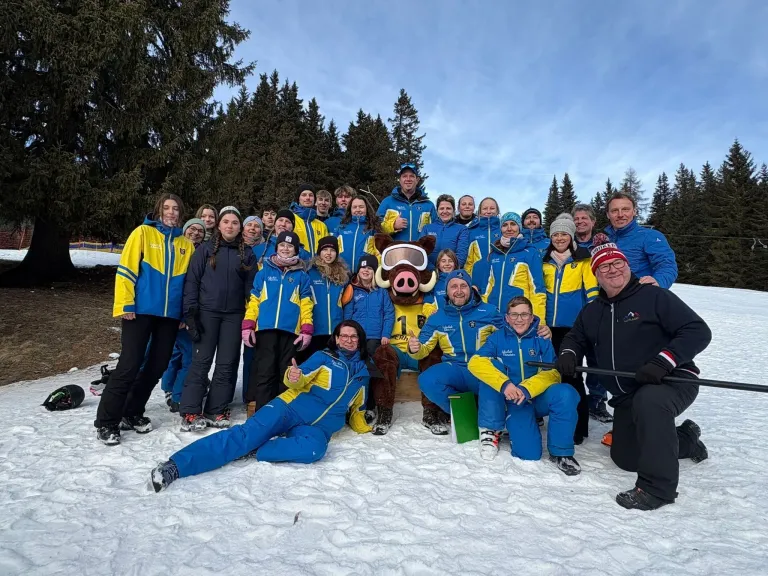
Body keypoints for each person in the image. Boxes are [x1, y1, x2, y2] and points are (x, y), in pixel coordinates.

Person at [555, 235, 711, 510]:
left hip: (671, 381)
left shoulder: (654, 296)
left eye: (618, 263)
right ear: (596, 275)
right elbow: (574, 338)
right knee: (626, 458)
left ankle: (657, 490)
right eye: (605, 266)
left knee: (650, 402)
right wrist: (568, 353)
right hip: (627, 394)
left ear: (627, 266)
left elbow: (697, 331)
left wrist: (664, 361)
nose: (613, 269)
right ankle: (686, 439)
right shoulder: (592, 311)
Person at [150, 320, 372, 492]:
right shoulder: (324, 357)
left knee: (315, 450)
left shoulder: (363, 374)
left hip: (316, 429)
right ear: (336, 339)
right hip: (289, 409)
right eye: (344, 336)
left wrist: (366, 427)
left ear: (360, 340)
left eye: (353, 336)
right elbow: (298, 376)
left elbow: (357, 409)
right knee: (245, 435)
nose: (349, 340)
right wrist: (293, 376)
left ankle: (257, 449)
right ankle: (176, 466)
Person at [94, 193, 195, 445]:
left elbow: (188, 284)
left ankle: (132, 411)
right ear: (159, 210)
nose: (171, 212)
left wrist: (184, 313)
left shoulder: (186, 244)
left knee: (157, 365)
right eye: (166, 208)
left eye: (175, 209)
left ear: (181, 213)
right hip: (139, 311)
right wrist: (125, 303)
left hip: (169, 316)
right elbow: (126, 269)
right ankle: (106, 422)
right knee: (129, 365)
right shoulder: (142, 233)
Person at [468, 296, 581, 474]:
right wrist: (505, 385)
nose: (519, 319)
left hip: (536, 397)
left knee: (565, 393)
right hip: (514, 402)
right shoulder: (497, 338)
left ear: (531, 316)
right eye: (514, 315)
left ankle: (561, 452)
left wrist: (527, 388)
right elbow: (475, 362)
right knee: (529, 454)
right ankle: (505, 424)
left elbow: (553, 372)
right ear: (507, 318)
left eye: (524, 314)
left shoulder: (541, 338)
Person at [180, 206, 257, 430]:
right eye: (226, 222)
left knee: (227, 363)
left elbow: (252, 289)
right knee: (201, 361)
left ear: (240, 227)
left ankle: (216, 409)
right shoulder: (205, 250)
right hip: (207, 313)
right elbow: (192, 282)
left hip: (234, 315)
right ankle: (191, 410)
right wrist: (191, 313)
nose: (230, 226)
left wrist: (252, 316)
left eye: (234, 223)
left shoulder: (247, 254)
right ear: (219, 225)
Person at [409, 270, 505, 423]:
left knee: (499, 369)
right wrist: (414, 348)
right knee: (427, 380)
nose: (459, 291)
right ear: (447, 291)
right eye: (454, 286)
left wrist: (537, 328)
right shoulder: (437, 317)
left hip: (483, 368)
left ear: (471, 289)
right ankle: (466, 414)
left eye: (463, 286)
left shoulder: (489, 311)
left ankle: (492, 418)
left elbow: (511, 334)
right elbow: (423, 348)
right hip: (456, 369)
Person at [242, 231, 314, 418]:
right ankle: (262, 417)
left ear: (296, 250)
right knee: (265, 373)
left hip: (290, 333)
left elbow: (306, 305)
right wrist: (248, 325)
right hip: (265, 331)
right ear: (276, 248)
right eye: (282, 245)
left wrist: (306, 329)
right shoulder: (264, 272)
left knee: (285, 374)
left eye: (290, 246)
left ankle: (281, 416)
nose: (286, 249)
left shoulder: (302, 276)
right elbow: (254, 301)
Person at [542, 214, 599, 443]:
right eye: (555, 234)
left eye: (564, 234)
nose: (559, 238)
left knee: (571, 374)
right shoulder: (543, 260)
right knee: (547, 372)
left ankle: (578, 427)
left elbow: (592, 291)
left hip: (573, 329)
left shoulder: (583, 259)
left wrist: (591, 321)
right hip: (547, 327)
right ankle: (549, 416)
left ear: (571, 235)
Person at [341, 254, 396, 434]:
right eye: (363, 267)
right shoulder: (352, 290)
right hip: (357, 339)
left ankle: (370, 406)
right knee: (355, 370)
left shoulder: (381, 292)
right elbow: (347, 316)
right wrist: (348, 336)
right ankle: (354, 406)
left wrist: (385, 334)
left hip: (374, 337)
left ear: (374, 272)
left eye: (370, 268)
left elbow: (388, 314)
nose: (366, 271)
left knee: (371, 370)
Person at [159, 218, 206, 411]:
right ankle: (177, 393)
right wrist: (182, 316)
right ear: (184, 230)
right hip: (180, 314)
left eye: (200, 231)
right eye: (192, 229)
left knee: (179, 354)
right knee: (186, 356)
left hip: (190, 313)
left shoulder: (201, 253)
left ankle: (171, 389)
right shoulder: (177, 251)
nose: (195, 233)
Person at [571, 204, 611, 421]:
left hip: (598, 307)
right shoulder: (567, 244)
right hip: (571, 312)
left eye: (584, 218)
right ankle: (574, 401)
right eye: (576, 219)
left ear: (593, 221)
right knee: (572, 358)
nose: (580, 222)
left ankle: (597, 399)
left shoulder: (602, 243)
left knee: (597, 358)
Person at [471, 212, 547, 327]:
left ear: (519, 227)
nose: (509, 228)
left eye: (513, 224)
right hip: (494, 317)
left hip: (519, 317)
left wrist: (538, 322)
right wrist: (484, 315)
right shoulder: (494, 254)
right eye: (505, 225)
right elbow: (486, 289)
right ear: (501, 229)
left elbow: (537, 291)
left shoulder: (530, 252)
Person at [604, 192, 678, 289]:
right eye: (614, 210)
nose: (620, 214)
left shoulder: (650, 236)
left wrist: (658, 281)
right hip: (608, 296)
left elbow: (666, 264)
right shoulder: (604, 241)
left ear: (634, 211)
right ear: (608, 215)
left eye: (625, 209)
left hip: (638, 294)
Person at [301, 236, 350, 360]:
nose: (328, 253)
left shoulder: (343, 275)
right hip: (314, 330)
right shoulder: (309, 272)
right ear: (319, 252)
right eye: (325, 250)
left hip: (335, 332)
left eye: (332, 250)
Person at [377, 163, 437, 242]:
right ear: (400, 180)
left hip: (419, 249)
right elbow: (376, 228)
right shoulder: (387, 202)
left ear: (417, 180)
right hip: (395, 249)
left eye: (412, 176)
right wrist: (393, 225)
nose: (408, 179)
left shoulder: (429, 205)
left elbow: (436, 230)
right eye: (404, 176)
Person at [420, 194, 469, 268]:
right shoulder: (427, 228)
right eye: (441, 208)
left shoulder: (462, 229)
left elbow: (461, 255)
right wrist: (433, 270)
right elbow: (421, 252)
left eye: (448, 208)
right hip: (430, 272)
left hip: (451, 272)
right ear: (437, 211)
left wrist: (449, 269)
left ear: (453, 210)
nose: (445, 211)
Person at [334, 196, 381, 270]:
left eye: (361, 207)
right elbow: (333, 249)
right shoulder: (341, 228)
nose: (358, 210)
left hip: (364, 272)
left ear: (367, 208)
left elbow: (379, 253)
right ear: (350, 209)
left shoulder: (373, 227)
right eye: (354, 207)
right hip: (343, 272)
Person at [291, 183, 329, 257]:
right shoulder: (291, 220)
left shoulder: (322, 225)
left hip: (317, 263)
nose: (308, 198)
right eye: (304, 195)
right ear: (298, 198)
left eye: (311, 195)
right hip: (298, 263)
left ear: (314, 199)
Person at [464, 197, 501, 274]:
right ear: (479, 212)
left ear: (497, 211)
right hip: (477, 276)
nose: (488, 211)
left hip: (499, 276)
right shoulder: (471, 231)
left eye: (492, 208)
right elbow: (468, 260)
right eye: (485, 209)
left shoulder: (504, 230)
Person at [422, 249, 458, 317]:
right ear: (438, 264)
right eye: (443, 261)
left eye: (450, 261)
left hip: (457, 318)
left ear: (455, 264)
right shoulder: (434, 281)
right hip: (440, 319)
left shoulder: (461, 280)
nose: (447, 264)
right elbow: (427, 302)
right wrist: (430, 311)